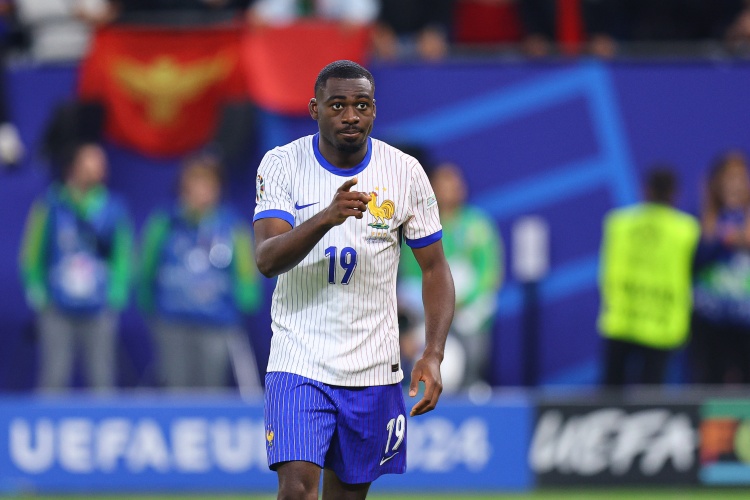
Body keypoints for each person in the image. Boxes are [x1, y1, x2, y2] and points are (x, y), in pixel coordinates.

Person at [252, 60, 455, 498]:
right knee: (297, 491)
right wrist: (326, 218)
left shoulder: (405, 172)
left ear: (374, 111)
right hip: (298, 359)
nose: (350, 116)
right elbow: (267, 259)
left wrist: (433, 352)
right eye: (337, 105)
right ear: (315, 109)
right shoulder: (282, 164)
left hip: (372, 367)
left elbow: (435, 269)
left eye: (361, 105)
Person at [138, 155, 263, 390]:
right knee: (176, 388)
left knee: (211, 388)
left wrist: (245, 301)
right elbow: (147, 268)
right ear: (183, 186)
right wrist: (149, 304)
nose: (201, 190)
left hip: (217, 322)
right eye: (195, 183)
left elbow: (246, 272)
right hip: (172, 322)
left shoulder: (231, 226)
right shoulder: (165, 223)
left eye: (208, 183)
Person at [19, 142, 133, 391]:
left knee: (102, 377)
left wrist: (116, 294)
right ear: (73, 167)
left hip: (98, 306)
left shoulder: (113, 208)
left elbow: (123, 255)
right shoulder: (51, 205)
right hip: (57, 305)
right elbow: (32, 252)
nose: (96, 169)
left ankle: (104, 417)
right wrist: (38, 291)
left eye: (100, 164)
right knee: (54, 374)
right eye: (89, 163)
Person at [398, 162, 503, 393]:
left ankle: (473, 385)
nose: (451, 190)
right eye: (444, 184)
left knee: (474, 296)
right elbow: (411, 277)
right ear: (432, 189)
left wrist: (458, 300)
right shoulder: (419, 225)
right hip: (427, 310)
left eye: (456, 184)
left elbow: (489, 275)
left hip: (468, 309)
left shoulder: (478, 226)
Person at [597, 167, 700, 387]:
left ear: (646, 190)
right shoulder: (687, 230)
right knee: (651, 397)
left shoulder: (619, 223)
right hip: (662, 324)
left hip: (622, 318)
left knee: (610, 393)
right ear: (674, 194)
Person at [691, 151, 750, 384]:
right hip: (710, 319)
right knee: (708, 381)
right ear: (716, 182)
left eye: (740, 177)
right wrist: (720, 237)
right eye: (729, 177)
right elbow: (696, 260)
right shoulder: (701, 218)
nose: (735, 184)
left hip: (745, 320)